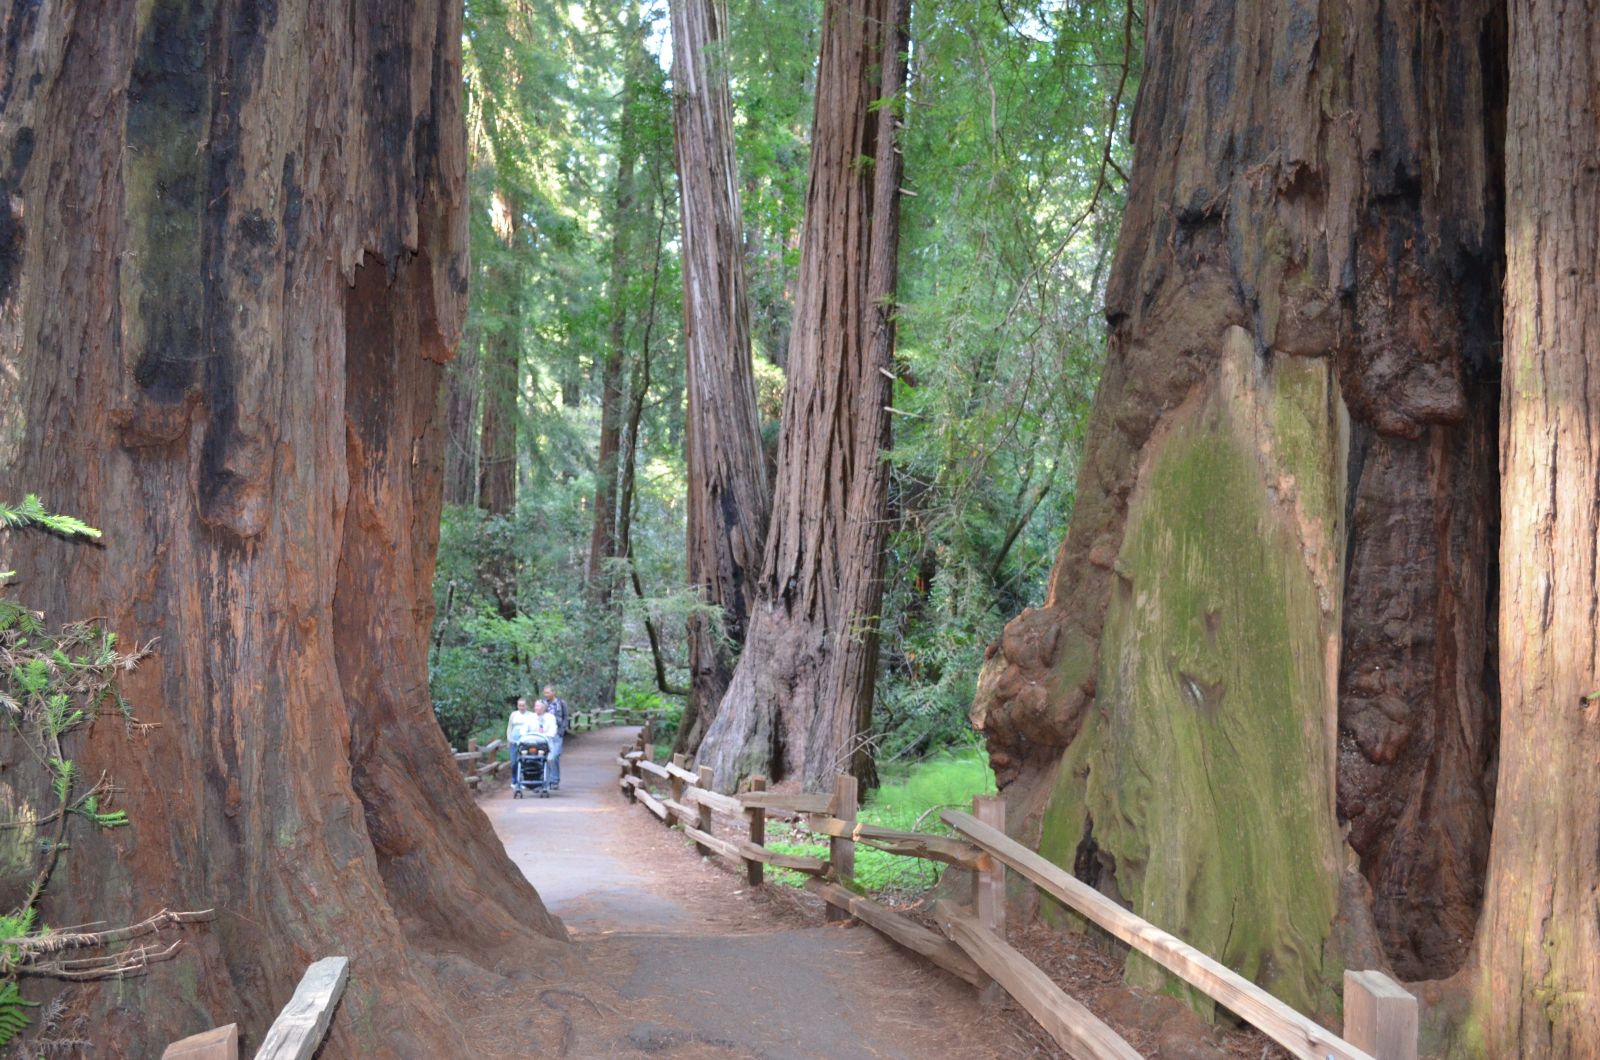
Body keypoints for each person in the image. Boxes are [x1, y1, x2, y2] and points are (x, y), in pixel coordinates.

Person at [537, 685, 567, 790]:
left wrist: (562, 730)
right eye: (545, 693)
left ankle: (555, 780)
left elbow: (565, 717)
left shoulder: (561, 703)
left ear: (553, 692)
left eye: (548, 692)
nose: (546, 695)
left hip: (557, 733)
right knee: (547, 757)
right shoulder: (543, 703)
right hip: (546, 734)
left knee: (555, 756)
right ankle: (547, 779)